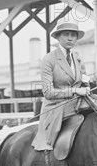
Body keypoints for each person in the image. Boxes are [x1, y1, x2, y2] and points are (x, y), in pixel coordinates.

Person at [33, 22, 91, 151]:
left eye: (73, 35)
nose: (70, 38)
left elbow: (84, 83)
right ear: (58, 37)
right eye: (66, 35)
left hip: (77, 104)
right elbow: (48, 93)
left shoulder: (79, 61)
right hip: (55, 107)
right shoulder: (49, 59)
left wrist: (87, 88)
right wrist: (75, 90)